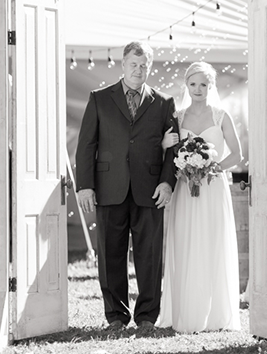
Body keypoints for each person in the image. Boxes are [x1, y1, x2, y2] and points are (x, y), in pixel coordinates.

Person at [75, 41, 177, 331]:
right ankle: (116, 317)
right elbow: (86, 145)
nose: (139, 70)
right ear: (123, 65)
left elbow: (174, 148)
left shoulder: (164, 102)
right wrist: (85, 186)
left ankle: (146, 316)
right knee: (110, 255)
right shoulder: (99, 98)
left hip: (150, 191)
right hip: (109, 188)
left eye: (144, 65)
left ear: (150, 67)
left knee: (150, 255)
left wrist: (167, 182)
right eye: (134, 64)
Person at [157, 61, 242, 333]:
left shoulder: (221, 116)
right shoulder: (177, 117)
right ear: (186, 86)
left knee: (212, 242)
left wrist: (211, 167)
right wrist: (171, 152)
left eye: (203, 84)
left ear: (211, 87)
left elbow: (238, 155)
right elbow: (166, 153)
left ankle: (216, 314)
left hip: (214, 188)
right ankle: (186, 311)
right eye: (193, 84)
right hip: (185, 189)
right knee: (186, 242)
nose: (198, 89)